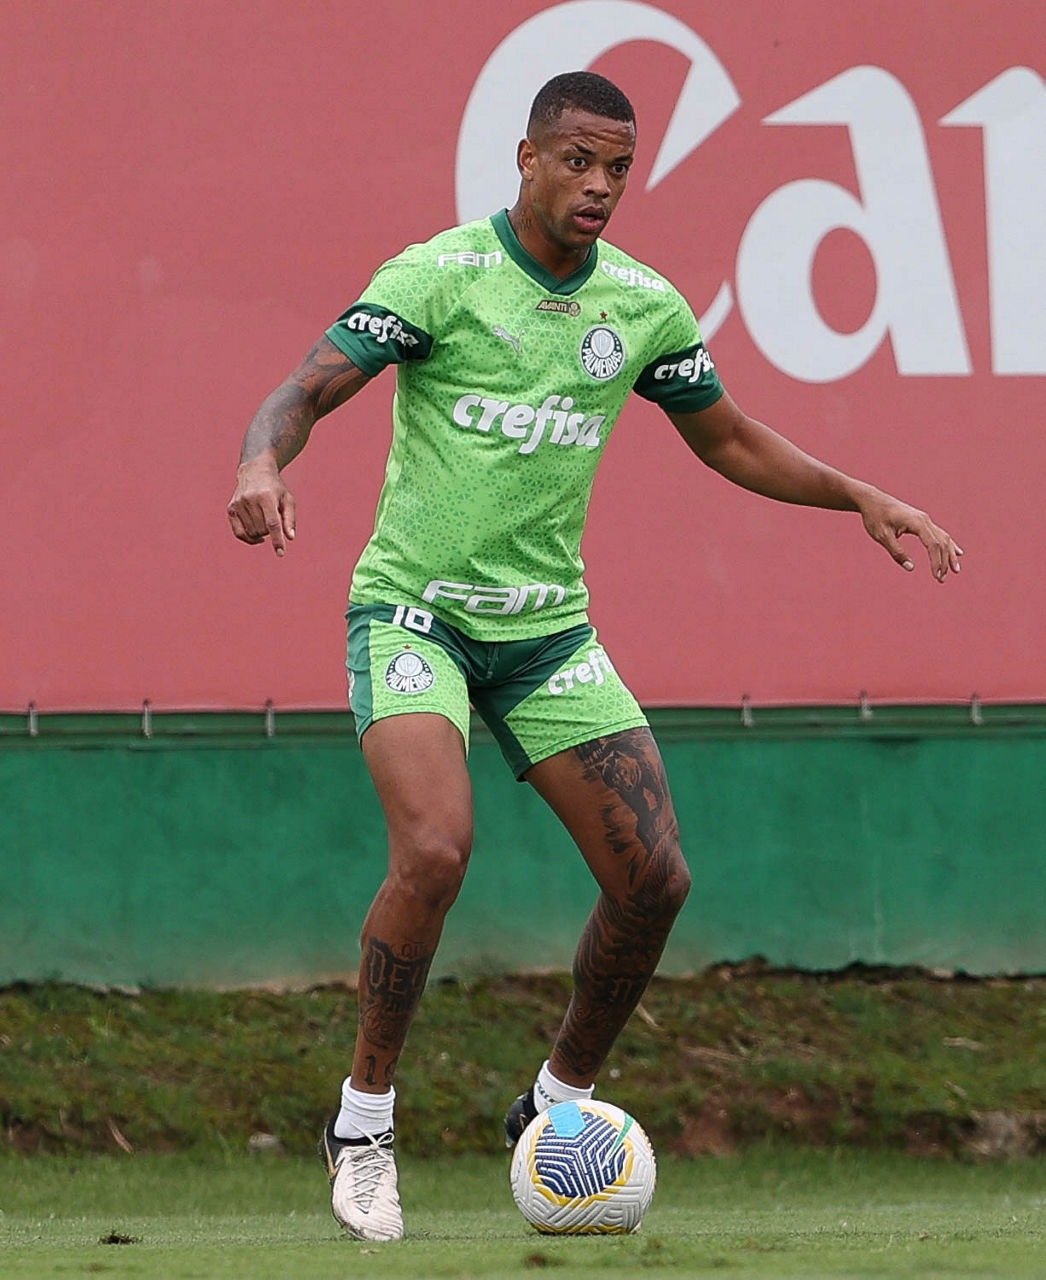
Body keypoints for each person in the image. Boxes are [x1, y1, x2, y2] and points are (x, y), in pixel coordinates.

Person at [227, 71, 962, 1242]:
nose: (599, 185)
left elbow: (728, 438)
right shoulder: (440, 277)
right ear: (526, 157)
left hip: (546, 633)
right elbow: (302, 390)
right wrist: (263, 463)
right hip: (414, 615)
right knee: (435, 849)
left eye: (617, 167)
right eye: (576, 160)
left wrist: (857, 494)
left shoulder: (641, 305)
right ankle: (363, 1120)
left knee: (654, 880)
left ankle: (553, 1099)